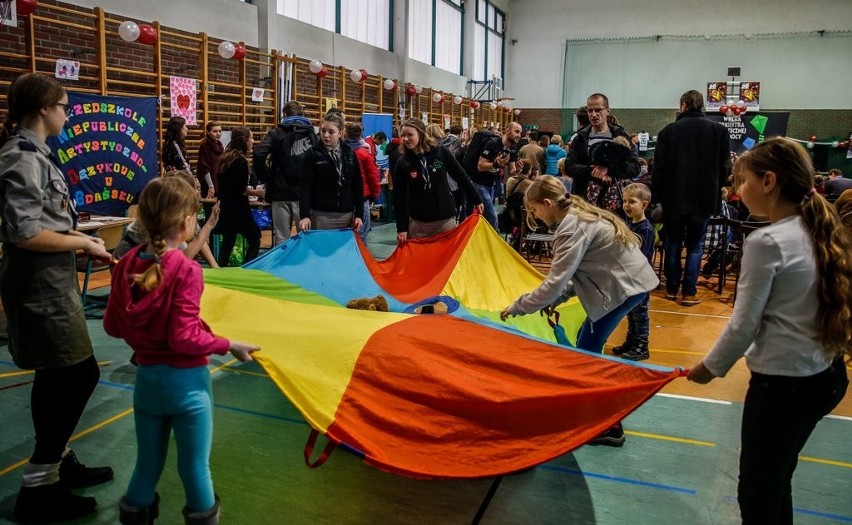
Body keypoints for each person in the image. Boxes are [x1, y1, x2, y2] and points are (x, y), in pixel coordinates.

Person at [687, 137, 851, 525]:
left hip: (784, 387)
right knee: (778, 479)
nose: (737, 190)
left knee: (758, 491)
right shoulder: (817, 228)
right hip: (827, 377)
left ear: (769, 181)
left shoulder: (767, 241)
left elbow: (743, 326)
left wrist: (708, 369)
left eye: (743, 181)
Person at [104, 176, 259, 525]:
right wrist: (228, 344)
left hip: (146, 384)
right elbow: (183, 338)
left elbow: (113, 326)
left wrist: (146, 338)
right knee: (194, 469)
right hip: (186, 387)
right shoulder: (186, 270)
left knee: (146, 466)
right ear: (187, 222)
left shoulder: (127, 264)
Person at [0, 72, 115, 523]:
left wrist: (83, 241)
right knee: (77, 373)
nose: (67, 113)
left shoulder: (35, 154)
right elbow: (24, 231)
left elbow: (45, 220)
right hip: (39, 286)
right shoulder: (21, 157)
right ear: (44, 109)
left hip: (52, 281)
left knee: (56, 374)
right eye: (64, 105)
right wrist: (83, 243)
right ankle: (38, 484)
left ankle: (57, 463)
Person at [500, 176, 659, 446]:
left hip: (624, 289)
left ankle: (609, 426)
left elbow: (554, 283)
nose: (536, 216)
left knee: (587, 355)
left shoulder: (572, 228)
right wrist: (559, 299)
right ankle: (596, 415)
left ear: (547, 203)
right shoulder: (578, 214)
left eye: (536, 210)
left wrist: (519, 306)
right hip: (629, 284)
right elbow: (585, 271)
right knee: (587, 349)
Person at [652, 89, 730, 306]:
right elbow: (726, 166)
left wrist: (657, 196)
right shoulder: (719, 131)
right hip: (704, 199)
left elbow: (658, 168)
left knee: (673, 244)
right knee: (696, 246)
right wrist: (718, 188)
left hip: (674, 199)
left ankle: (671, 289)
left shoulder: (668, 132)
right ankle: (689, 292)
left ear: (683, 105)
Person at [393, 118, 483, 242]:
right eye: (403, 135)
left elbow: (461, 176)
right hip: (419, 221)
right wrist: (401, 227)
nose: (406, 139)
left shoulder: (440, 152)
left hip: (445, 219)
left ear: (421, 134)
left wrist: (476, 199)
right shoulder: (403, 162)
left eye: (410, 135)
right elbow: (398, 197)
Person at [113, 170, 220, 268]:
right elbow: (185, 257)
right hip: (125, 260)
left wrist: (215, 266)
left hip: (140, 262)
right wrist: (209, 225)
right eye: (195, 188)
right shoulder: (167, 215)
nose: (198, 192)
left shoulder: (180, 210)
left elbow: (198, 238)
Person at [252, 100, 319, 244]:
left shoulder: (277, 132)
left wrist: (266, 177)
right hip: (304, 193)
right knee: (306, 236)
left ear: (285, 114)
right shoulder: (311, 134)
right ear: (302, 113)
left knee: (281, 238)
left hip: (279, 191)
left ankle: (281, 266)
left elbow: (258, 153)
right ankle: (303, 265)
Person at [565, 93, 639, 209]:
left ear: (607, 111)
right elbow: (569, 166)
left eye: (598, 110)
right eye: (590, 111)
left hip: (615, 203)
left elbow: (634, 167)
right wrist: (592, 170)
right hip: (585, 204)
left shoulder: (621, 136)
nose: (594, 114)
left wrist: (609, 170)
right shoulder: (580, 138)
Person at [611, 183, 656, 361]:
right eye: (624, 201)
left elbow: (639, 256)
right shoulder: (630, 224)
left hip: (640, 279)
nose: (626, 205)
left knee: (640, 313)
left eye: (632, 201)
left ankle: (641, 345)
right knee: (632, 312)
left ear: (644, 205)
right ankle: (631, 341)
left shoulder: (645, 229)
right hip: (630, 278)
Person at [299, 112, 364, 232]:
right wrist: (305, 215)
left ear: (340, 133)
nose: (326, 135)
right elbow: (305, 186)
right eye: (323, 131)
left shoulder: (349, 153)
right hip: (321, 215)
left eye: (331, 132)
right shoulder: (312, 154)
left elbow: (358, 185)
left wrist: (360, 214)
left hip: (346, 215)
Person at [213, 127, 264, 267]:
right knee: (255, 238)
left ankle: (221, 268)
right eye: (251, 138)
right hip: (238, 208)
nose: (253, 141)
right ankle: (246, 268)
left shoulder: (225, 158)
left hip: (226, 206)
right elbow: (240, 188)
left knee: (229, 240)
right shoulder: (240, 161)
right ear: (244, 141)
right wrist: (257, 193)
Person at [468, 122, 522, 230]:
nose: (519, 135)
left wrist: (518, 169)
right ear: (507, 131)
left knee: (486, 218)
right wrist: (496, 164)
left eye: (520, 133)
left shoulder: (512, 148)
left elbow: (512, 171)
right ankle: (495, 241)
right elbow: (480, 165)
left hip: (490, 184)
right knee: (492, 218)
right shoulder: (492, 144)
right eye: (516, 131)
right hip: (479, 184)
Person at [344, 122, 380, 242]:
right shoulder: (364, 153)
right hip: (362, 198)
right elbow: (373, 176)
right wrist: (374, 195)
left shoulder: (339, 151)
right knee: (362, 235)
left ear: (346, 133)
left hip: (345, 198)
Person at [196, 121, 223, 200]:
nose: (218, 134)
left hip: (219, 182)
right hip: (209, 184)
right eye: (214, 131)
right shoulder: (205, 146)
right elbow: (204, 168)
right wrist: (211, 186)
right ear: (208, 132)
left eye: (219, 131)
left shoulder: (220, 145)